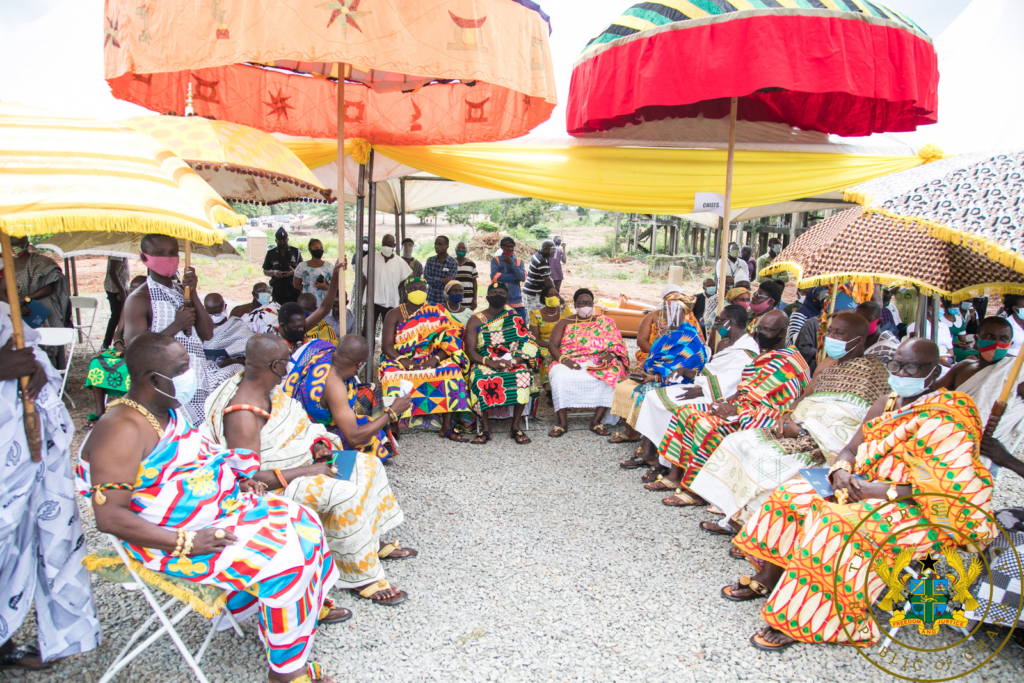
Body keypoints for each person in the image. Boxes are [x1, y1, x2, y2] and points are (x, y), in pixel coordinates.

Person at [77, 333, 348, 681]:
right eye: (182, 369)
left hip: (218, 515)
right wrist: (188, 542)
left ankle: (277, 610)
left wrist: (235, 481)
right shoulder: (120, 430)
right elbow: (110, 517)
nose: (192, 374)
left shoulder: (165, 412)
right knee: (287, 558)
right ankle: (286, 671)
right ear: (154, 380)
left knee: (303, 520)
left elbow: (193, 465)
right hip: (173, 543)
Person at [728, 339, 996, 652]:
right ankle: (770, 575)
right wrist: (841, 471)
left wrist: (877, 491)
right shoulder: (887, 403)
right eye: (894, 364)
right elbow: (851, 448)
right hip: (862, 484)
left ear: (934, 371)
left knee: (837, 524)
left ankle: (810, 618)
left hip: (920, 506)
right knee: (791, 493)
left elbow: (940, 485)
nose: (897, 371)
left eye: (909, 366)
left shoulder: (949, 415)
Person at [205, 334, 414, 605]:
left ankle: (368, 544)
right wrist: (309, 471)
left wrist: (318, 445)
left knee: (368, 465)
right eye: (285, 363)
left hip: (305, 463)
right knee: (344, 492)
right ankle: (361, 575)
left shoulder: (267, 390)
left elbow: (301, 427)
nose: (289, 368)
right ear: (273, 366)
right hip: (280, 484)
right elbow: (249, 478)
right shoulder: (244, 413)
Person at [690, 312, 890, 533]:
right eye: (830, 330)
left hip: (824, 442)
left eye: (838, 333)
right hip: (798, 425)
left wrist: (805, 431)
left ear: (859, 340)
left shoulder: (873, 370)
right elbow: (804, 398)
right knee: (737, 441)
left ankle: (752, 529)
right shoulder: (826, 364)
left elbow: (855, 416)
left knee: (767, 459)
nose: (830, 336)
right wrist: (787, 416)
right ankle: (734, 516)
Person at [0, 300, 99, 672]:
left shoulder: (4, 309)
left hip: (21, 452)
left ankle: (3, 640)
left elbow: (27, 356)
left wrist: (35, 368)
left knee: (16, 545)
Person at [649, 310, 810, 505]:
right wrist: (727, 401)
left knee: (706, 426)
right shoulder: (767, 355)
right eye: (759, 328)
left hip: (763, 416)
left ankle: (697, 491)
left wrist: (737, 410)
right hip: (743, 407)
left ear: (782, 333)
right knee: (684, 413)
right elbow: (746, 388)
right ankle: (675, 475)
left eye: (767, 330)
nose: (760, 334)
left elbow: (779, 402)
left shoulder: (790, 360)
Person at [623, 305, 760, 475]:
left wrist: (703, 389)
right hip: (704, 386)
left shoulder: (746, 350)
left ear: (730, 323)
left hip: (717, 396)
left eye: (719, 320)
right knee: (652, 397)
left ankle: (666, 462)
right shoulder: (726, 343)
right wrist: (687, 373)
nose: (716, 324)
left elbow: (733, 381)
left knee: (674, 406)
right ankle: (648, 452)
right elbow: (711, 371)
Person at [123, 234, 214, 423]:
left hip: (193, 378)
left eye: (173, 252)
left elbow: (207, 333)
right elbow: (134, 351)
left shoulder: (183, 292)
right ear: (144, 258)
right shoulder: (139, 299)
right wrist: (176, 326)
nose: (168, 258)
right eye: (159, 253)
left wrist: (193, 293)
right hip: (163, 386)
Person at [608, 293, 708, 444]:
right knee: (623, 387)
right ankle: (631, 432)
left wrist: (655, 378)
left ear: (684, 313)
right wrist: (644, 366)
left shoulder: (691, 335)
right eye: (666, 310)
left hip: (675, 380)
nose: (670, 314)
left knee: (641, 392)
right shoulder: (666, 332)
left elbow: (686, 365)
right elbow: (656, 356)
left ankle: (646, 440)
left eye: (675, 310)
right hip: (657, 373)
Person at [379, 277, 471, 441]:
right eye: (413, 288)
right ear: (406, 292)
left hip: (431, 357)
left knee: (453, 371)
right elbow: (387, 347)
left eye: (421, 288)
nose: (418, 291)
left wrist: (435, 359)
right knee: (390, 375)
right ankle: (393, 426)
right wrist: (405, 361)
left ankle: (447, 426)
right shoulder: (393, 314)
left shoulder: (438, 311)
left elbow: (451, 341)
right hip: (400, 358)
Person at [286, 332, 400, 460]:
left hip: (297, 411)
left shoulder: (321, 348)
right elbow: (353, 437)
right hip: (313, 433)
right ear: (359, 365)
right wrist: (392, 412)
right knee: (368, 436)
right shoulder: (335, 386)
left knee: (371, 390)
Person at [463, 283, 542, 445]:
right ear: (487, 297)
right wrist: (491, 363)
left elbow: (528, 344)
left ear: (507, 297)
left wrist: (513, 361)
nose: (497, 295)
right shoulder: (476, 319)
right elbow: (470, 351)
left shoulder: (514, 317)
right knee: (479, 378)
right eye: (493, 292)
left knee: (523, 375)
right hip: (484, 361)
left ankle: (515, 426)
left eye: (501, 293)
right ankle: (485, 428)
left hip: (513, 361)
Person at [546, 289, 630, 437]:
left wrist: (609, 357)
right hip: (569, 360)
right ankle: (562, 422)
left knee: (614, 374)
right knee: (559, 377)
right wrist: (566, 361)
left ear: (593, 304)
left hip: (598, 360)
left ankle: (596, 421)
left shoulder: (605, 322)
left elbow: (618, 345)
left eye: (588, 303)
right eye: (581, 303)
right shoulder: (565, 321)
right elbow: (552, 345)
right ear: (575, 304)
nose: (585, 306)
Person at [940, 317, 1024, 455]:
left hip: (986, 454)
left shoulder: (1016, 372)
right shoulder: (963, 367)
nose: (996, 343)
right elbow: (931, 396)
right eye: (990, 336)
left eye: (1003, 338)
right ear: (977, 340)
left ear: (1010, 344)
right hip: (948, 443)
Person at [84, 275, 148, 427]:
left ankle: (130, 413)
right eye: (131, 289)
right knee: (97, 364)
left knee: (133, 368)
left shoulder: (153, 307)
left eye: (137, 289)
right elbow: (118, 331)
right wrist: (118, 343)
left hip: (144, 350)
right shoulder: (129, 305)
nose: (133, 293)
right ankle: (100, 413)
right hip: (123, 349)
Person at [5, 236, 71, 367]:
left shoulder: (42, 262)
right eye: (11, 244)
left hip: (42, 308)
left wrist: (26, 299)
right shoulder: (7, 265)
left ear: (27, 244)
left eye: (17, 244)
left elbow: (49, 287)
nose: (14, 247)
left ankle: (53, 380)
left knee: (49, 347)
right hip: (17, 311)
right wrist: (17, 305)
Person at [202, 292, 254, 390]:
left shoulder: (237, 326)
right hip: (206, 366)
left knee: (229, 374)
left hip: (231, 366)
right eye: (210, 313)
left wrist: (232, 361)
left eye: (217, 312)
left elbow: (253, 354)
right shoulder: (200, 327)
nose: (214, 316)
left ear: (225, 307)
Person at [362, 233, 412, 335]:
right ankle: (368, 350)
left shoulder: (400, 262)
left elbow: (404, 279)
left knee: (389, 331)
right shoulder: (370, 258)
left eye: (389, 245)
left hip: (390, 301)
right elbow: (363, 276)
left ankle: (386, 350)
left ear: (394, 246)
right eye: (384, 244)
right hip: (372, 300)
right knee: (368, 330)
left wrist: (393, 288)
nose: (386, 247)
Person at [528, 284, 569, 391]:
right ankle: (550, 389)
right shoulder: (535, 315)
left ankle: (566, 386)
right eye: (550, 295)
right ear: (544, 298)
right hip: (544, 345)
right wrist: (552, 346)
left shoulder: (564, 312)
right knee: (546, 355)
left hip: (564, 344)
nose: (553, 297)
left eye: (556, 295)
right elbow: (535, 339)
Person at [262, 227, 302, 304]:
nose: (282, 242)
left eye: (284, 241)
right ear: (276, 241)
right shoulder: (271, 253)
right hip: (278, 290)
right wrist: (274, 272)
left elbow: (302, 269)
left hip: (293, 289)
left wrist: (294, 272)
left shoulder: (295, 252)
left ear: (287, 240)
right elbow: (265, 271)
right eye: (279, 241)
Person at [489, 237, 527, 319]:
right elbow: (495, 278)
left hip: (516, 301)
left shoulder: (518, 261)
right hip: (500, 301)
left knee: (520, 327)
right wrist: (515, 278)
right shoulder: (495, 260)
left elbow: (523, 277)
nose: (509, 248)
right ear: (502, 247)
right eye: (507, 246)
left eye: (511, 246)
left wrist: (511, 263)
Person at [856, 301, 899, 366]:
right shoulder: (854, 340)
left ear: (879, 322)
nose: (861, 323)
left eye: (867, 320)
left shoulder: (889, 348)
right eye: (858, 319)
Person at [291, 238, 333, 305]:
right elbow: (296, 284)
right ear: (310, 250)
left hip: (324, 303)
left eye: (321, 248)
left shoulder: (329, 266)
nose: (319, 250)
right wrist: (307, 289)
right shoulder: (302, 266)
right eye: (316, 248)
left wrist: (326, 287)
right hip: (307, 302)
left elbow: (336, 284)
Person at [102, 255, 130, 349]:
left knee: (120, 315)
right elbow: (112, 272)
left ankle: (119, 342)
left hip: (120, 287)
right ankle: (107, 343)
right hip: (115, 289)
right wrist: (121, 290)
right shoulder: (118, 253)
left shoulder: (121, 252)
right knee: (117, 316)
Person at [423, 235, 459, 306]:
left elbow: (449, 282)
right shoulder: (430, 260)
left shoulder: (453, 262)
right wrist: (442, 280)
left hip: (444, 301)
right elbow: (426, 279)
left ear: (447, 246)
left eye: (440, 244)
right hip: (430, 299)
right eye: (435, 244)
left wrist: (434, 280)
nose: (437, 246)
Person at [522, 240, 554, 313]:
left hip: (531, 291)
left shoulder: (537, 255)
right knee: (537, 317)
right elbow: (547, 280)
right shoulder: (541, 260)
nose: (553, 252)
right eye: (552, 250)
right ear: (546, 249)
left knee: (532, 316)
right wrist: (555, 293)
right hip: (534, 293)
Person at [397, 237, 423, 304]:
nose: (408, 249)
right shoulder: (397, 262)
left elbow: (419, 279)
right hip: (398, 294)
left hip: (412, 294)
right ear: (402, 248)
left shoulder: (417, 264)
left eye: (410, 247)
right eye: (406, 246)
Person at [454, 241, 479, 310]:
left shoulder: (471, 264)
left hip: (468, 299)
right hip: (454, 299)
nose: (461, 249)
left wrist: (475, 299)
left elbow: (474, 282)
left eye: (463, 248)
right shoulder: (451, 263)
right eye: (459, 248)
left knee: (468, 319)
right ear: (455, 249)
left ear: (466, 250)